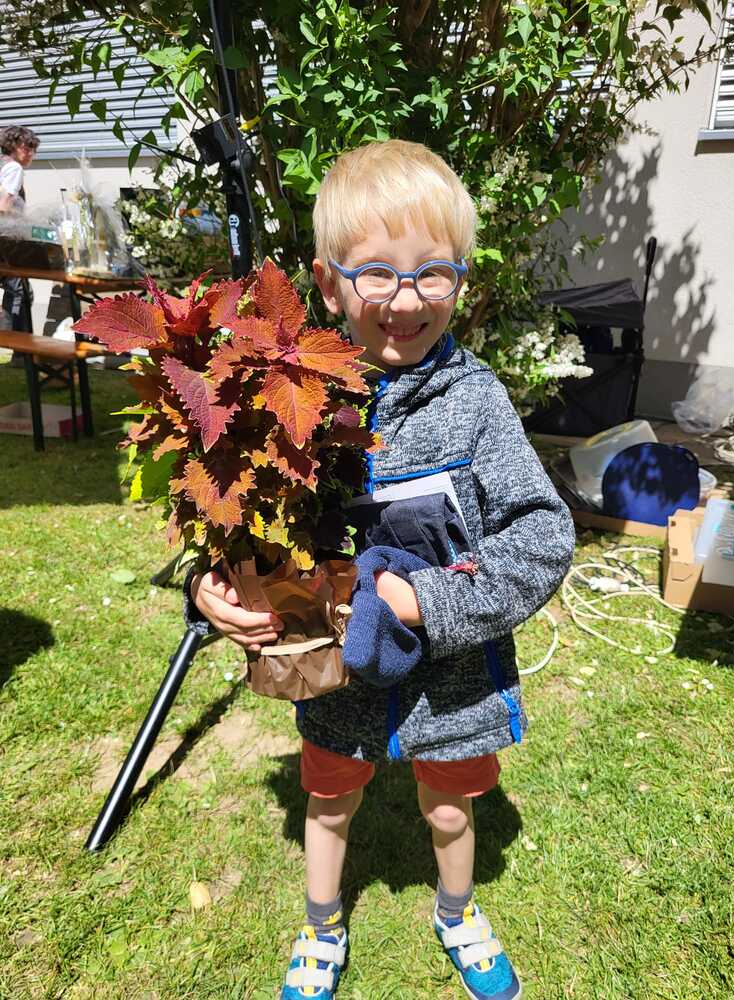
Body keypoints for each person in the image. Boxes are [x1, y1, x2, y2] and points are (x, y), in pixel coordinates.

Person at [188, 139, 575, 1000]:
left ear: (461, 279)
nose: (405, 300)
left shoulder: (476, 402)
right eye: (376, 275)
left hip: (454, 677)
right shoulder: (287, 398)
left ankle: (457, 910)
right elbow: (233, 524)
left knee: (450, 805)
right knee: (329, 800)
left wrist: (427, 598)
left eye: (432, 273)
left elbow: (543, 537)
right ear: (328, 285)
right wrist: (209, 591)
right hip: (334, 674)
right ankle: (322, 924)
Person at [0, 124, 39, 331]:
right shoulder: (14, 168)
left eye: (34, 148)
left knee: (18, 289)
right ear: (13, 146)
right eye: (27, 147)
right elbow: (4, 205)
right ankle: (15, 343)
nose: (32, 153)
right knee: (19, 292)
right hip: (6, 239)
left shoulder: (2, 165)